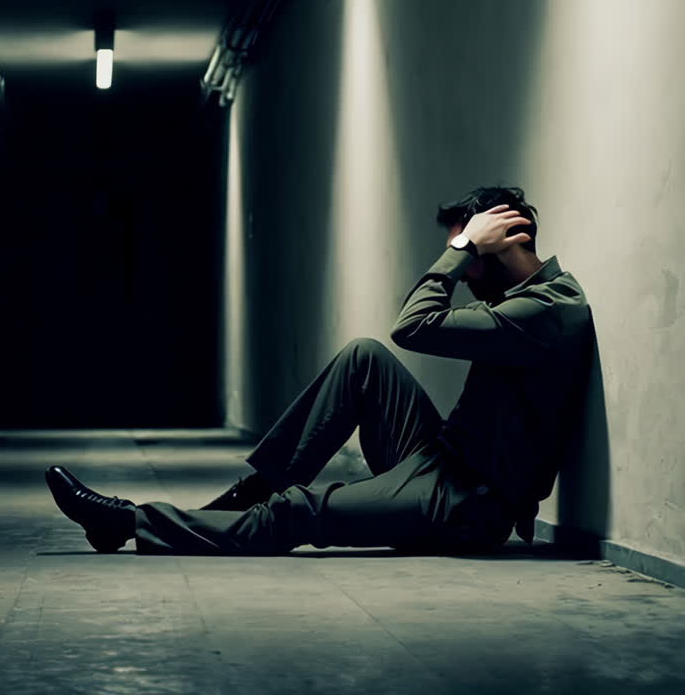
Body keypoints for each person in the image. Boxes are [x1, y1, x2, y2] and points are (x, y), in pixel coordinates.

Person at [46, 186, 594, 555]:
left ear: (506, 242)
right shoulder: (525, 299)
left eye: (468, 253)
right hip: (442, 461)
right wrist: (465, 249)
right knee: (364, 357)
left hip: (466, 505)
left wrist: (459, 248)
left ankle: (127, 522)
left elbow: (415, 325)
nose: (462, 266)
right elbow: (411, 333)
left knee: (299, 512)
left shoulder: (544, 313)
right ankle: (252, 493)